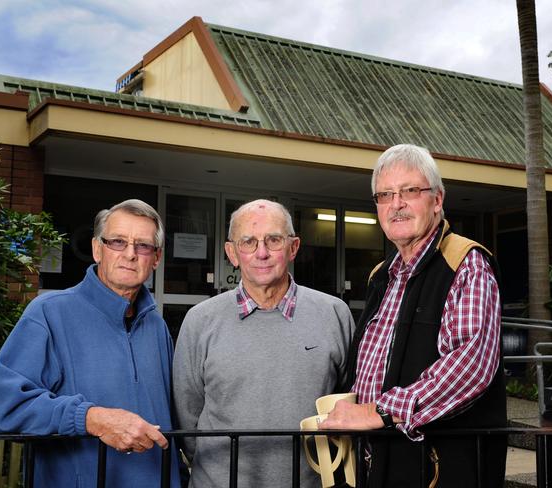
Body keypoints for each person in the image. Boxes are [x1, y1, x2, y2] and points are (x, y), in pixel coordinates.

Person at [320, 144, 507, 487]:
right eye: (385, 195)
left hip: (438, 470)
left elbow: (470, 367)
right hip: (378, 466)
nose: (397, 204)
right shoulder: (381, 276)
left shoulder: (465, 264)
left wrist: (378, 412)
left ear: (437, 200)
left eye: (410, 191)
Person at [0, 199, 181, 487]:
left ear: (156, 258)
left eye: (142, 245)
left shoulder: (156, 326)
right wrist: (92, 418)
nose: (130, 254)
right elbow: (8, 409)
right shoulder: (49, 313)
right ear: (96, 249)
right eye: (117, 241)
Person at [173, 199, 355, 487]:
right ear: (232, 253)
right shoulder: (199, 321)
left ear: (293, 248)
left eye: (273, 240)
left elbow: (347, 401)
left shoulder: (334, 314)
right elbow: (187, 418)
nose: (262, 253)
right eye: (248, 242)